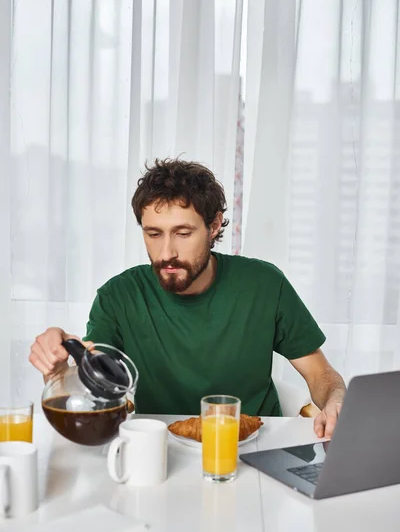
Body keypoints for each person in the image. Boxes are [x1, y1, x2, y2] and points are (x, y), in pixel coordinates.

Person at [29, 158, 346, 438]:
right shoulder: (118, 297)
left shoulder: (265, 284)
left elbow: (321, 375)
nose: (166, 253)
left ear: (214, 225)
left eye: (182, 234)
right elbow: (98, 396)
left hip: (255, 446)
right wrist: (57, 372)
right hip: (158, 446)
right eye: (154, 234)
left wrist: (336, 400)